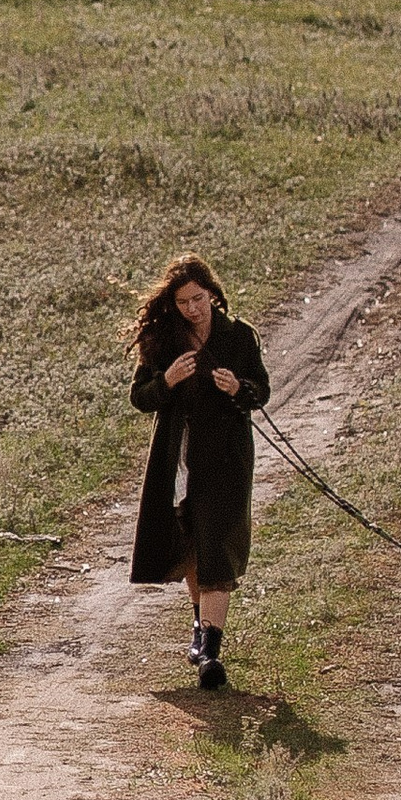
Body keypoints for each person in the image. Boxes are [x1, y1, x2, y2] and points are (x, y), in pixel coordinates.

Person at [128, 254, 271, 692]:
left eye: (198, 298)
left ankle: (210, 649)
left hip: (227, 456)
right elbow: (141, 399)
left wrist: (239, 389)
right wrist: (166, 380)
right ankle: (201, 627)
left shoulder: (239, 337)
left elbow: (260, 390)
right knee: (192, 537)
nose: (193, 308)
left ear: (212, 293)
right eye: (184, 302)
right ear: (173, 304)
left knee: (219, 539)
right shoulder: (161, 340)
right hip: (179, 455)